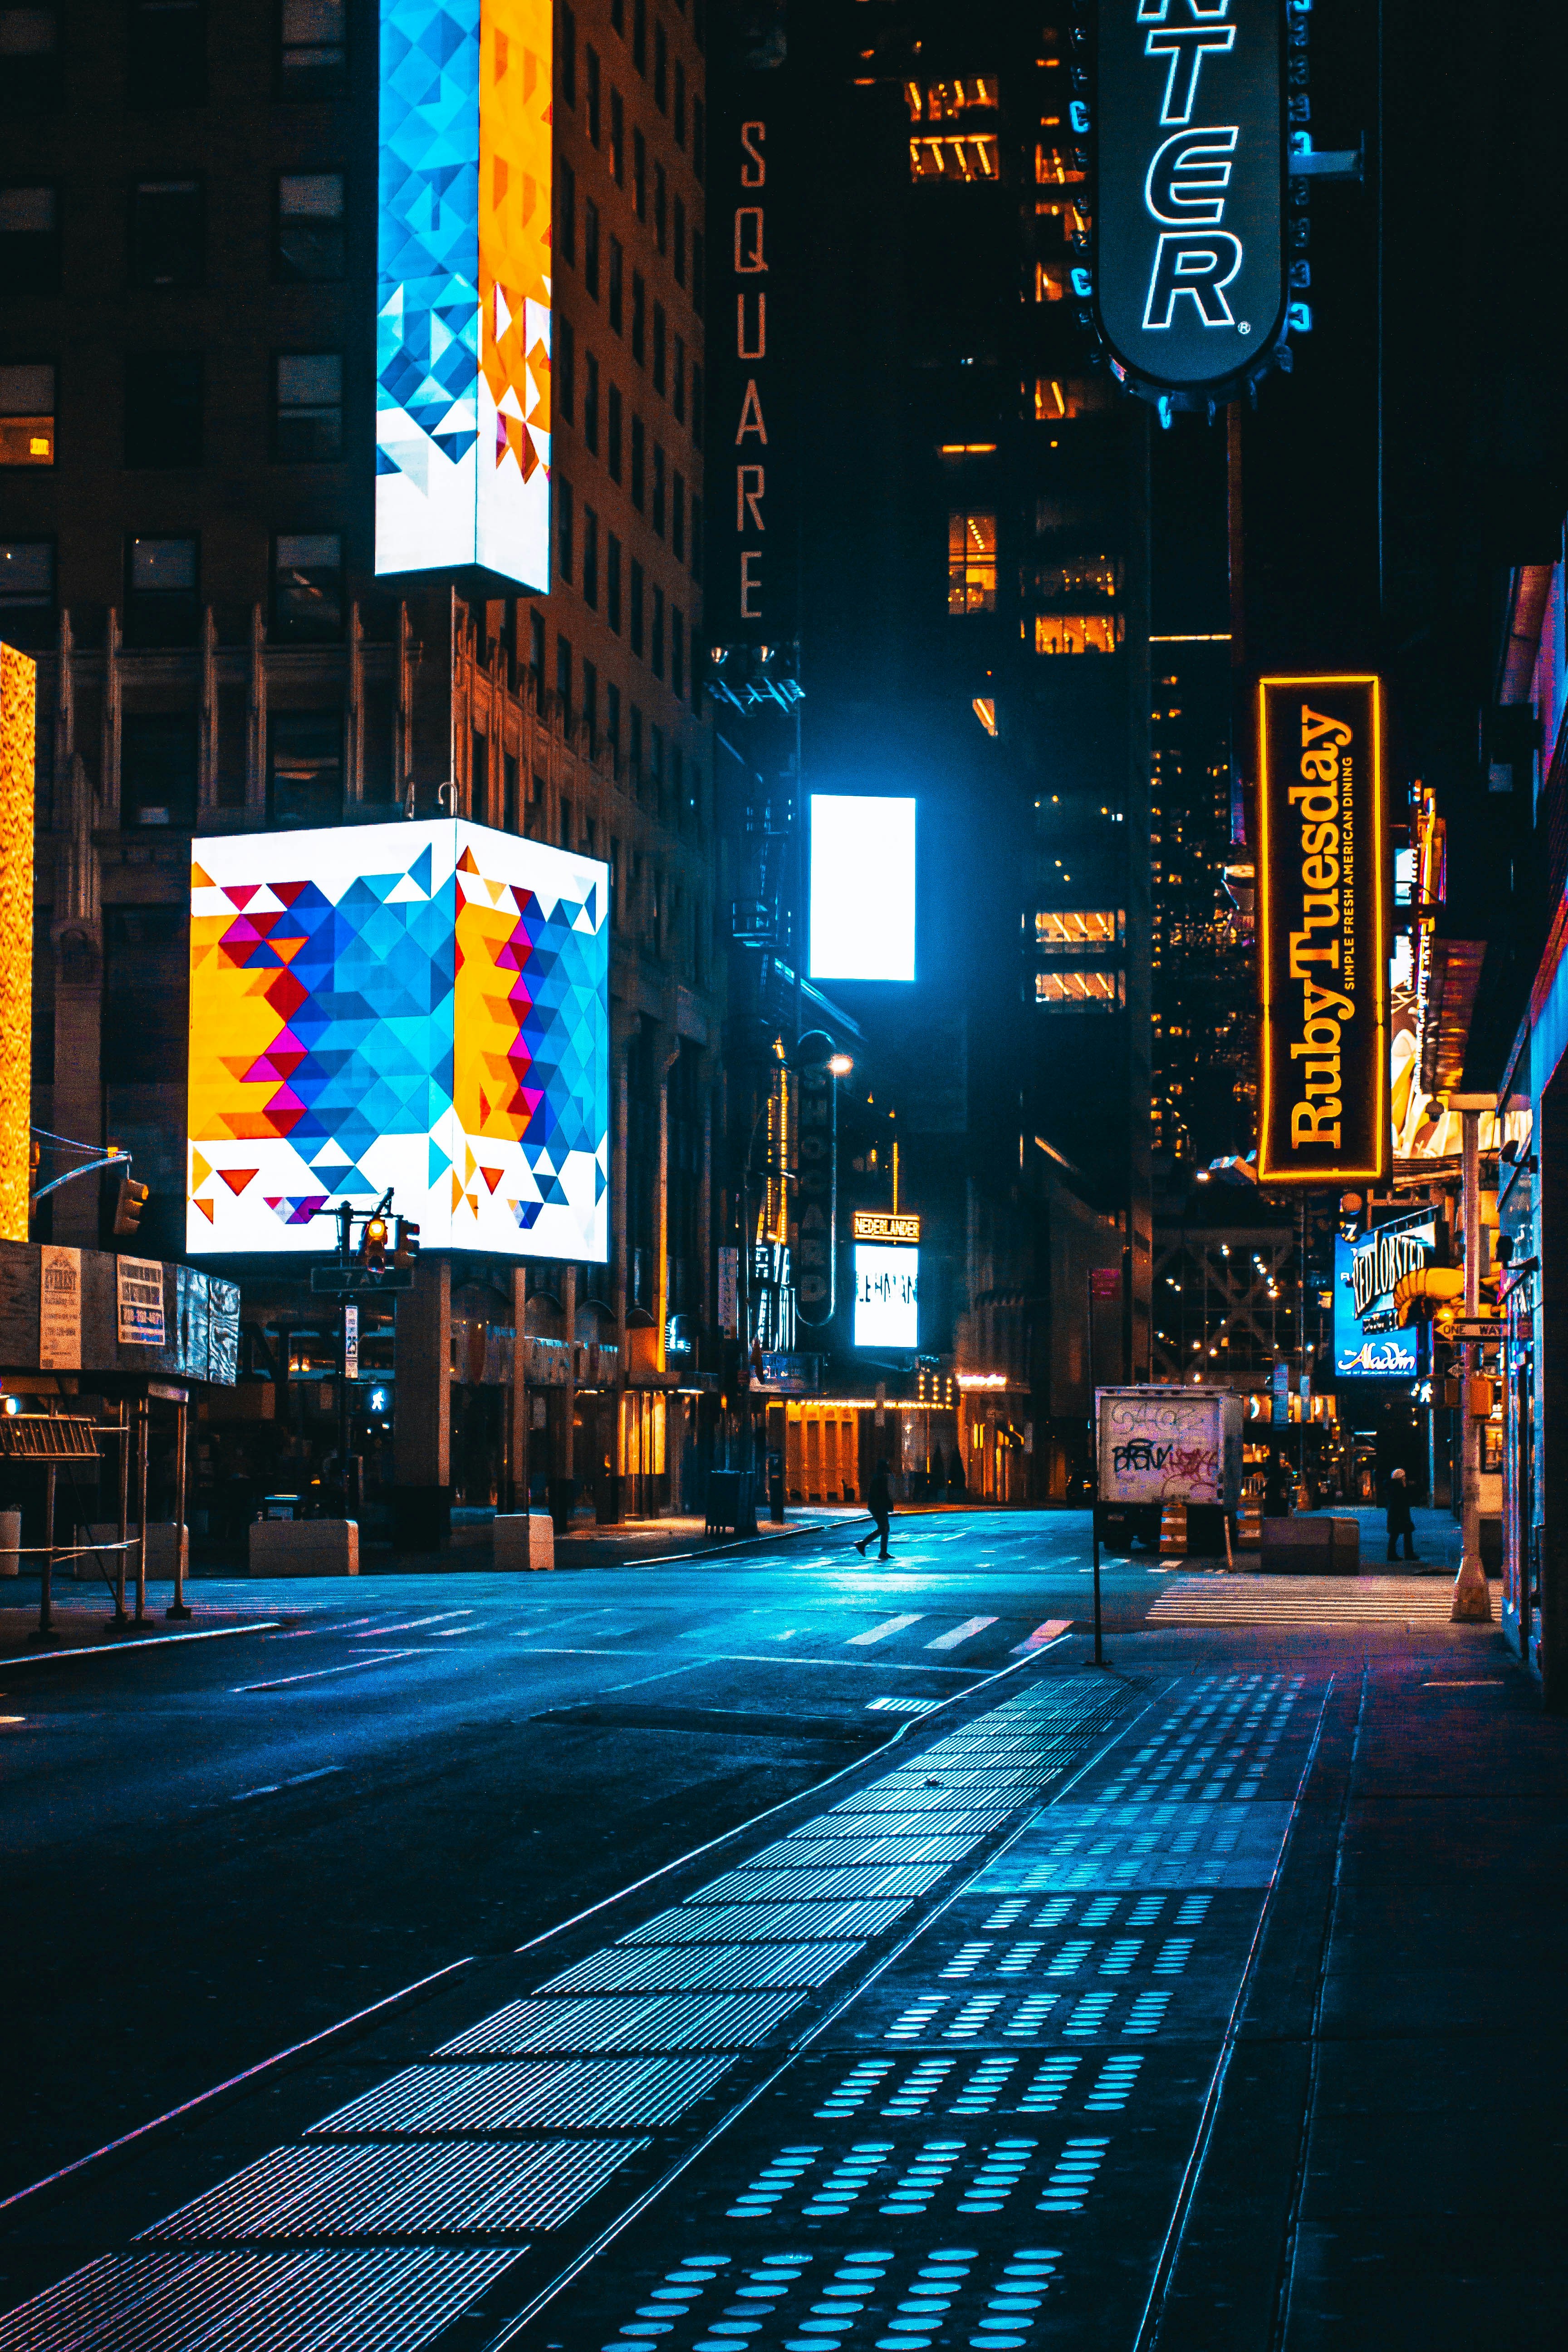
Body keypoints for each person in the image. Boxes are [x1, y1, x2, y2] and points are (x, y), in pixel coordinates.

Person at [857, 1457, 893, 1560]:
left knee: (885, 1528)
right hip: (879, 1507)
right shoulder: (881, 1479)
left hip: (877, 1506)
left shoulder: (877, 1477)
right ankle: (863, 1544)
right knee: (883, 1529)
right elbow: (884, 1494)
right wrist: (889, 1505)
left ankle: (883, 1552)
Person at [1385, 1465, 1419, 1562]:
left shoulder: (1391, 1487)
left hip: (1395, 1514)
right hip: (1401, 1514)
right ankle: (1408, 1553)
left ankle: (1392, 1554)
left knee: (1395, 1534)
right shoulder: (1399, 1488)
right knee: (1404, 1533)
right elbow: (1404, 1499)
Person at [1262, 1451, 1294, 1519]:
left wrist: (1262, 1490)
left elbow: (1271, 1483)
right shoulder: (1277, 1473)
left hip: (1274, 1497)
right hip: (1276, 1496)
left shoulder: (1274, 1473)